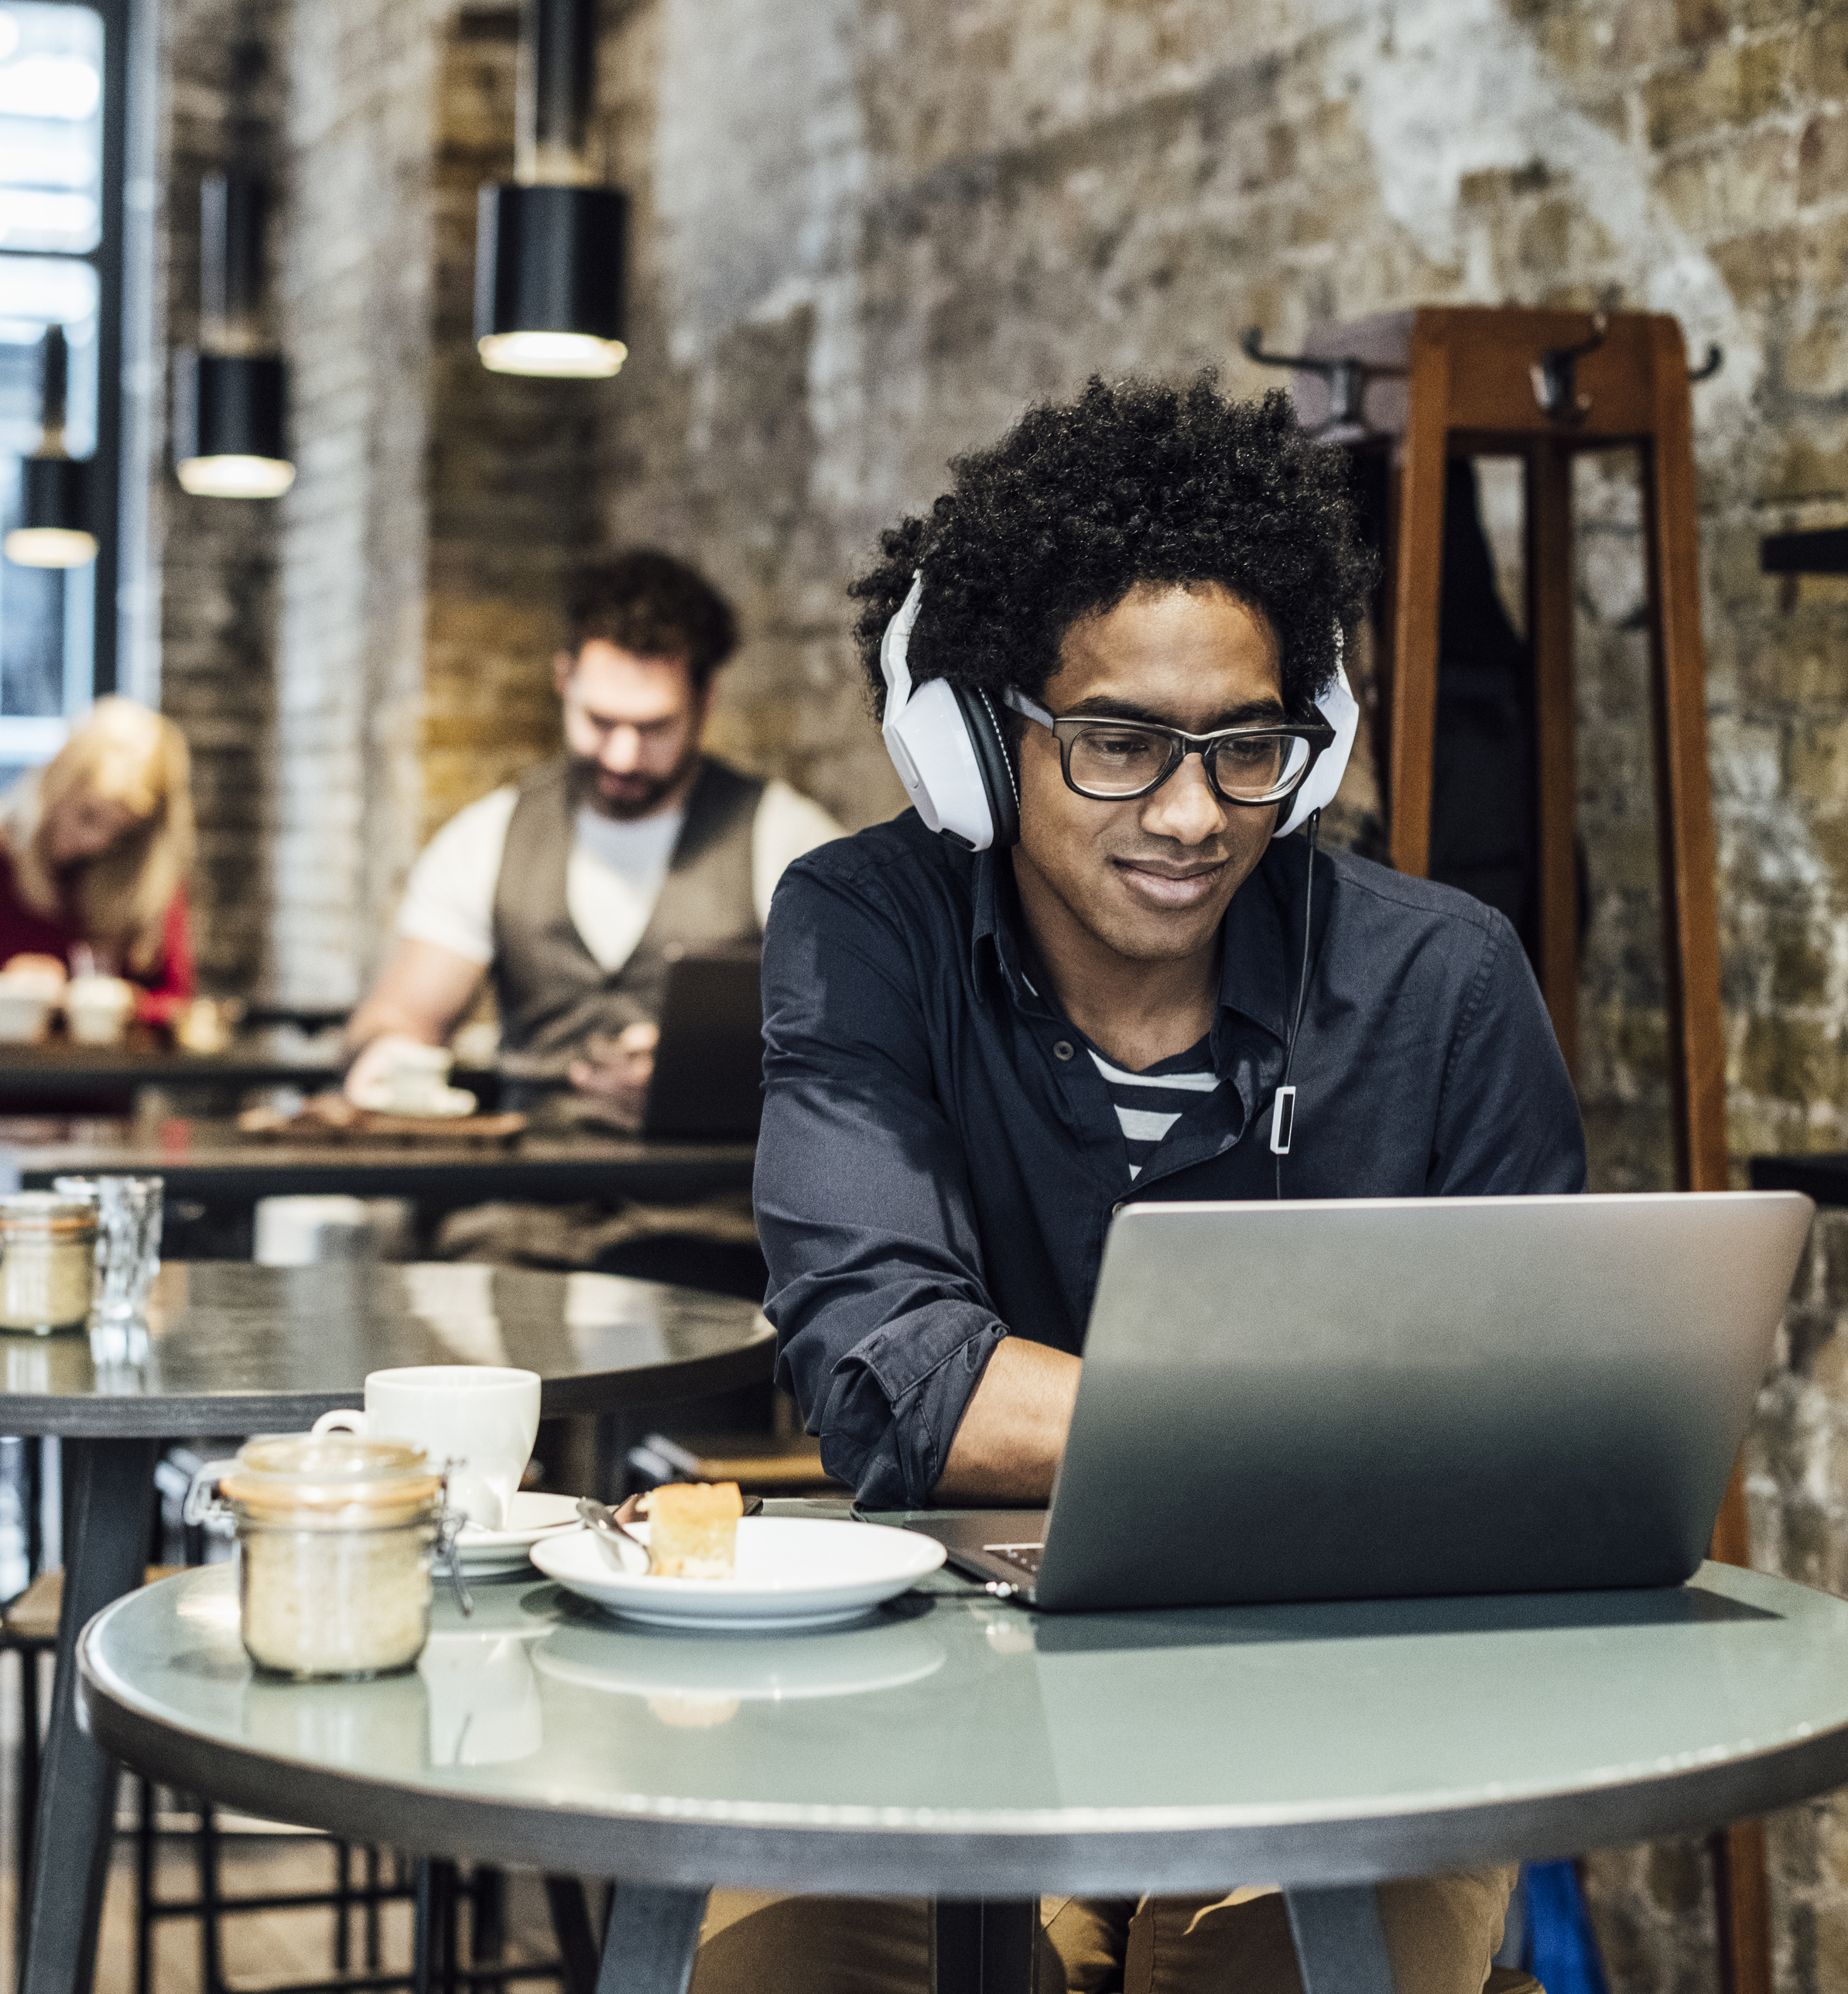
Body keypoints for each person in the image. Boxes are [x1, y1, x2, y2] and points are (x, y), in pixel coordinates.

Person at [715, 376, 1586, 1994]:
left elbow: (1527, 1435)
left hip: (1349, 1702)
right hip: (946, 1694)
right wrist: (1336, 1424)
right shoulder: (863, 928)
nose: (1192, 816)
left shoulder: (1444, 983)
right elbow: (893, 1380)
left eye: (1247, 748)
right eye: (1120, 743)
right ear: (979, 739)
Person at [343, 548, 844, 1124]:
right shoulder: (489, 837)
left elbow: (855, 1047)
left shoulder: (785, 838)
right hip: (525, 1199)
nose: (623, 756)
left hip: (710, 1201)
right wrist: (386, 1052)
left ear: (706, 703)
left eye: (654, 728)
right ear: (564, 681)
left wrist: (713, 1075)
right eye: (600, 722)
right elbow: (403, 1014)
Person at [0, 694, 197, 1023]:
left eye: (122, 835)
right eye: (88, 816)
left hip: (96, 1074)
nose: (97, 842)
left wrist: (104, 999)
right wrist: (3, 997)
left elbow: (177, 1005)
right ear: (56, 780)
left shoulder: (146, 881)